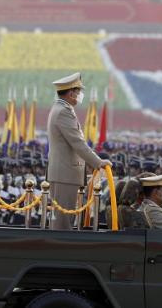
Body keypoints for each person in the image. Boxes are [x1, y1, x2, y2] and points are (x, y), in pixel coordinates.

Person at [46, 73, 110, 230]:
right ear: (71, 93)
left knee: (62, 220)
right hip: (65, 174)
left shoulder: (61, 108)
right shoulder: (63, 111)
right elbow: (78, 143)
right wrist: (98, 162)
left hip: (64, 173)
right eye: (78, 91)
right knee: (62, 223)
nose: (80, 95)